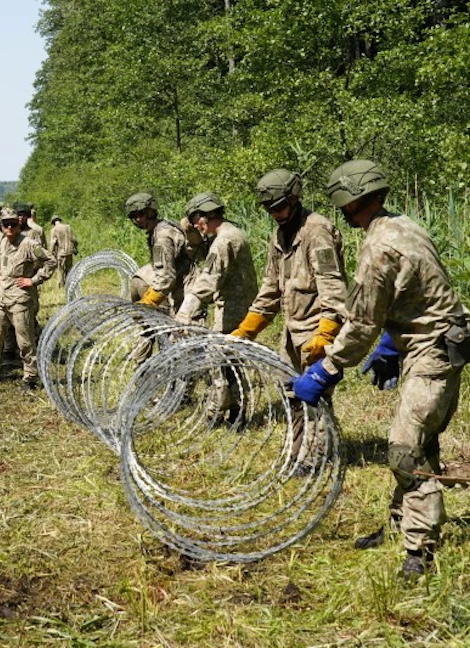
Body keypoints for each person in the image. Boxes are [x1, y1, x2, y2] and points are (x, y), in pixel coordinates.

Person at [291, 159, 469, 580]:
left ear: (349, 203)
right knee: (421, 443)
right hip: (435, 341)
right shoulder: (403, 225)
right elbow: (423, 288)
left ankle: (420, 549)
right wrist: (393, 343)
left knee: (405, 449)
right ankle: (399, 525)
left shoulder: (377, 248)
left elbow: (363, 321)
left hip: (433, 351)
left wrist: (327, 369)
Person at [229, 170, 347, 468]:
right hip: (291, 332)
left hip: (316, 330)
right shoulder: (280, 234)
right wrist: (246, 330)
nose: (275, 214)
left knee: (314, 396)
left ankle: (318, 459)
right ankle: (298, 450)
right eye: (269, 210)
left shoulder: (316, 231)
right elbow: (271, 288)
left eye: (280, 207)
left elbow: (332, 287)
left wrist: (328, 332)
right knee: (292, 395)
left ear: (295, 199)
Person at [175, 192, 258, 422]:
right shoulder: (231, 233)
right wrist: (191, 233)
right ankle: (236, 412)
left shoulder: (223, 241)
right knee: (229, 361)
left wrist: (184, 313)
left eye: (196, 220)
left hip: (233, 308)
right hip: (239, 304)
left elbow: (207, 280)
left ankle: (218, 410)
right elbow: (198, 253)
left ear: (208, 215)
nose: (194, 225)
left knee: (219, 361)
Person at [0, 213, 57, 398]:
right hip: (3, 299)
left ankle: (30, 379)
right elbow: (1, 266)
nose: (9, 228)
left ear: (18, 225)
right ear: (1, 226)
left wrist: (33, 280)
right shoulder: (3, 243)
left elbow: (51, 261)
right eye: (5, 225)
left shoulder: (29, 244)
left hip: (20, 300)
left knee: (25, 342)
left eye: (12, 225)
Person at [125, 192, 204, 315]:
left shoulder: (161, 237)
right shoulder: (162, 227)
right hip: (181, 282)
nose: (138, 219)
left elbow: (166, 277)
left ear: (151, 211)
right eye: (133, 216)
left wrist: (148, 303)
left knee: (186, 331)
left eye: (141, 214)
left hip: (187, 288)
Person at [49, 215, 78, 288]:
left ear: (53, 222)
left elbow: (53, 243)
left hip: (61, 253)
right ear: (59, 220)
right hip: (69, 252)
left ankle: (61, 286)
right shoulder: (68, 227)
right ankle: (70, 285)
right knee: (69, 270)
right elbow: (74, 239)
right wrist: (75, 249)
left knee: (60, 271)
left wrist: (50, 253)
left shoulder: (53, 230)